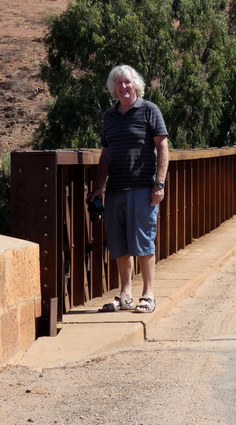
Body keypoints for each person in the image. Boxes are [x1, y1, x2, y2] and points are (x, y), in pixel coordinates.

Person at [87, 65, 169, 314]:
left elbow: (163, 147)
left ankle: (148, 295)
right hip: (115, 191)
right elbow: (106, 154)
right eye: (118, 83)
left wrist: (159, 183)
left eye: (127, 82)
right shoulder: (109, 117)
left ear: (136, 85)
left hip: (143, 189)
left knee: (143, 243)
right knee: (120, 245)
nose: (123, 87)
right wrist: (99, 187)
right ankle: (125, 295)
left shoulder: (149, 110)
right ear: (114, 88)